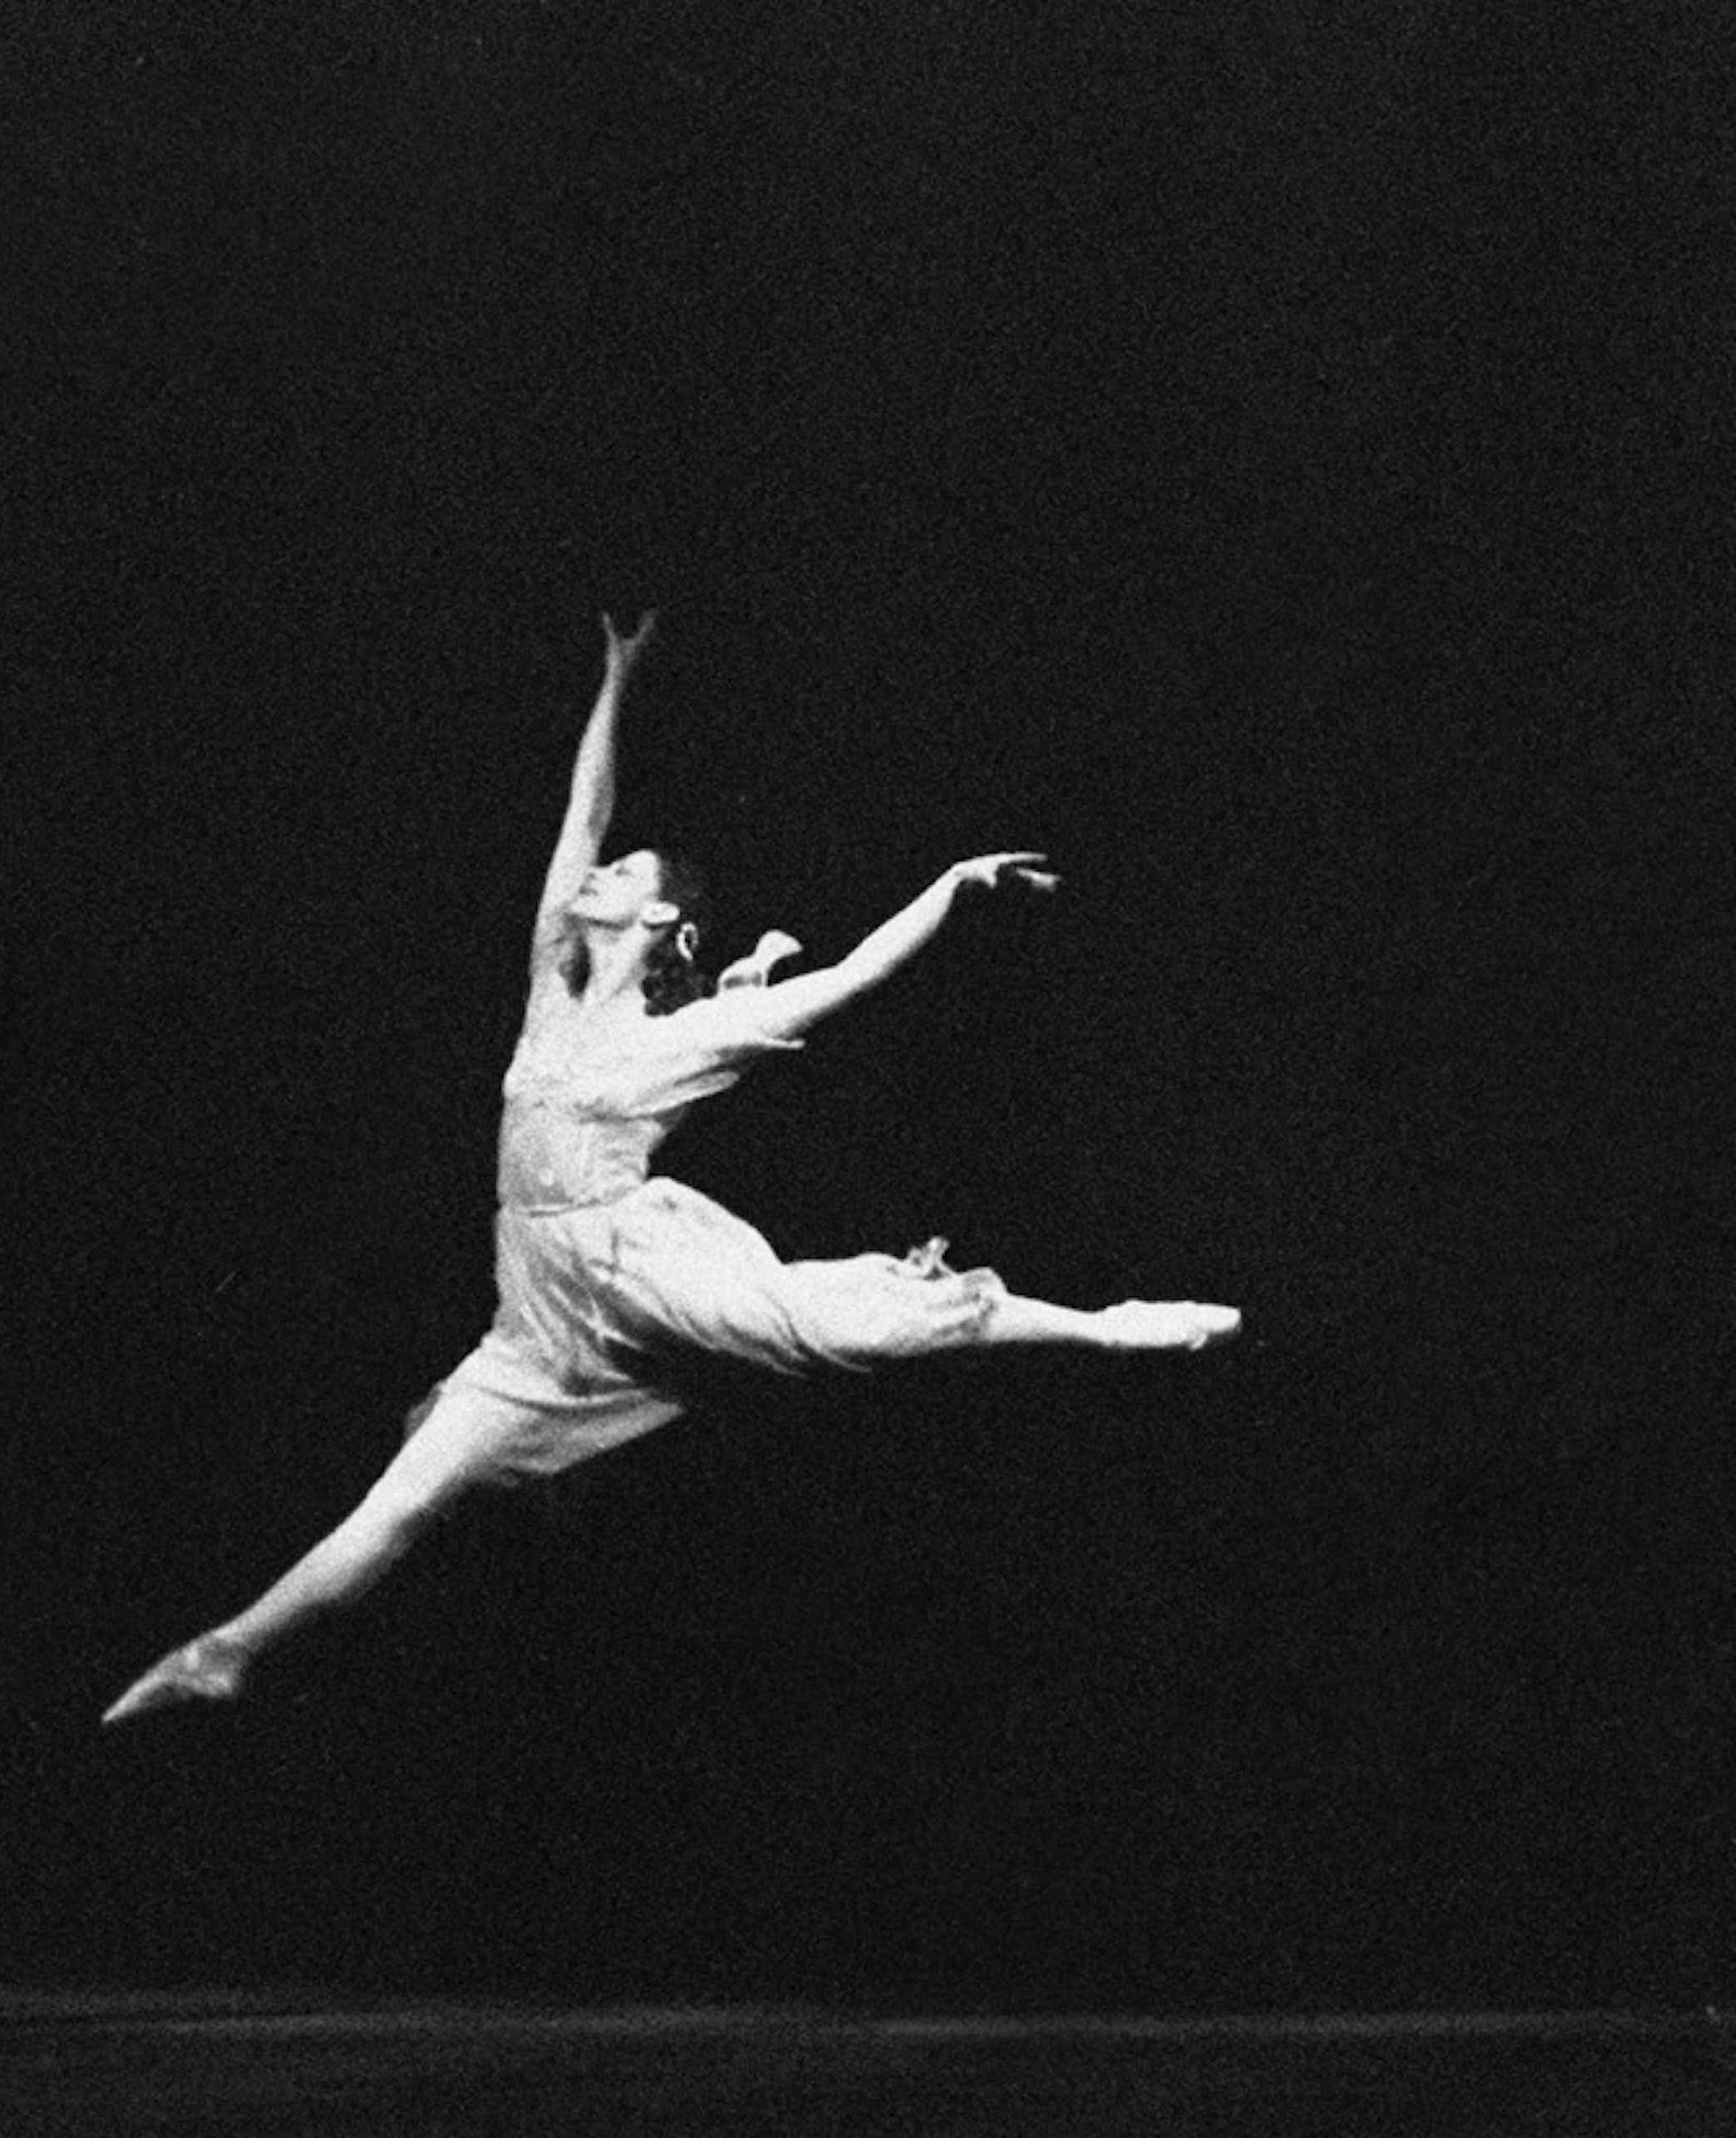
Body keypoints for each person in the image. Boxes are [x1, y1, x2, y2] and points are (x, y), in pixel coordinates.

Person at [102, 612, 1238, 1725]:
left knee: (833, 1329)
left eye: (621, 871)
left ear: (657, 913)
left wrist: (951, 887)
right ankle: (230, 1653)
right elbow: (578, 815)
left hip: (633, 1258)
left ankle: (1111, 1323)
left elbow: (844, 985)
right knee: (406, 1498)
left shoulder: (679, 1042)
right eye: (598, 869)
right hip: (535, 1309)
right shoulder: (553, 987)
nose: (594, 872)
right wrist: (613, 682)